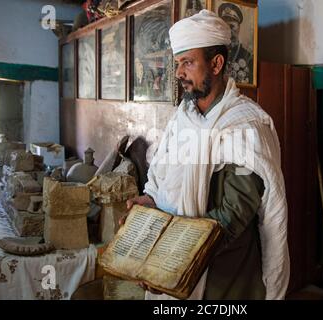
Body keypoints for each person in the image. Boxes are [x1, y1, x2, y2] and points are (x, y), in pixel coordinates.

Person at [123, 9, 290, 300]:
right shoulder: (182, 118)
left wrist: (170, 259)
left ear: (216, 63)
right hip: (174, 262)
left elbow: (233, 212)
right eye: (177, 63)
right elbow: (162, 177)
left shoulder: (245, 127)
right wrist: (149, 200)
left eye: (187, 62)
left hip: (225, 278)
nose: (178, 73)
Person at [218, 3, 253, 84]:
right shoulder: (215, 52)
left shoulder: (248, 57)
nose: (228, 31)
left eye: (232, 26)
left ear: (239, 28)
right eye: (225, 27)